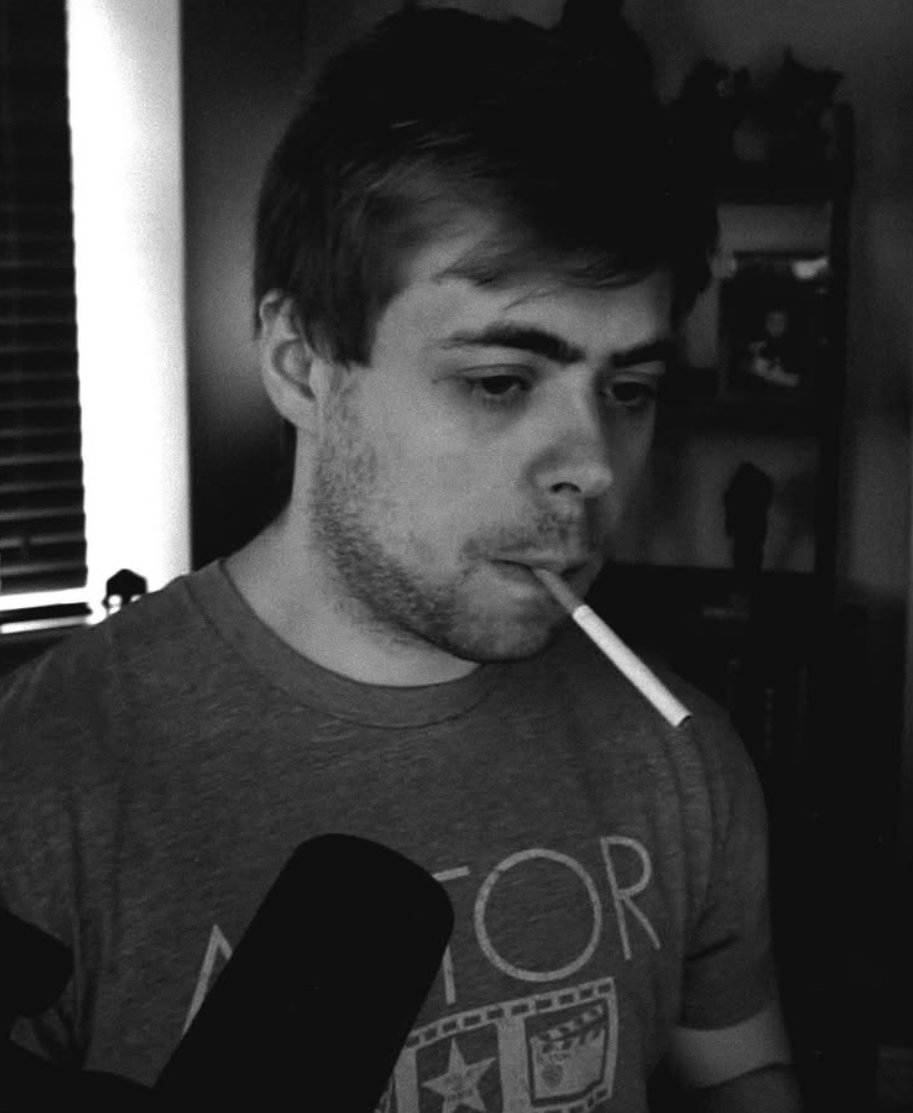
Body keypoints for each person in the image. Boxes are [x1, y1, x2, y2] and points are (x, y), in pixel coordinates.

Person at [0, 5, 801, 1109]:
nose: (593, 468)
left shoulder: (680, 755)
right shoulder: (43, 776)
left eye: (628, 389)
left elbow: (739, 1067)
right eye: (500, 381)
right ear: (302, 364)